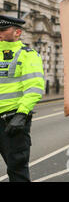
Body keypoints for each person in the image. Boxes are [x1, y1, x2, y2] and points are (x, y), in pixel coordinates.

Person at [0, 15, 44, 182]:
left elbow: (34, 87)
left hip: (12, 121)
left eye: (3, 30)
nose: (0, 33)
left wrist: (21, 114)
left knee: (17, 169)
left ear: (17, 32)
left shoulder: (27, 55)